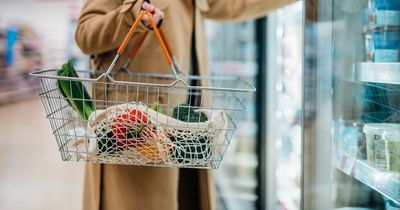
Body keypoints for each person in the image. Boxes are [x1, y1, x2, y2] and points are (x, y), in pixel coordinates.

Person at [75, 0, 295, 210]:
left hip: (190, 131)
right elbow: (85, 34)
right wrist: (131, 16)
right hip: (137, 135)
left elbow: (230, 4)